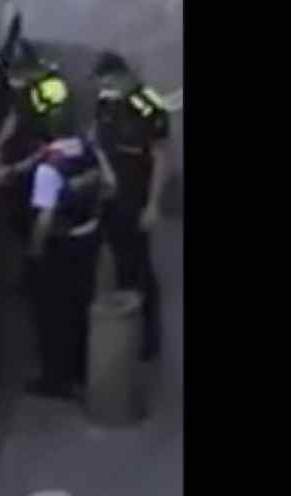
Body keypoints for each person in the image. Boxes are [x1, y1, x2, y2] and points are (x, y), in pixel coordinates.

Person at [26, 94, 114, 400]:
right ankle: (81, 366)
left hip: (61, 247)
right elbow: (108, 185)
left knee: (54, 315)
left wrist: (36, 250)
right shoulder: (89, 151)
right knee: (81, 304)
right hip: (89, 236)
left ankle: (56, 378)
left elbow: (45, 217)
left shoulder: (49, 169)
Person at [92, 50, 172, 362]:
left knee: (140, 267)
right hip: (113, 194)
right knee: (120, 262)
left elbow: (162, 157)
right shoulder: (106, 100)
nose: (104, 87)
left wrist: (153, 204)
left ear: (120, 76)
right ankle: (126, 325)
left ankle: (149, 338)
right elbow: (98, 139)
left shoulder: (148, 106)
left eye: (107, 80)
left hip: (137, 195)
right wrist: (104, 173)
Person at [0, 42, 72, 246]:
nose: (13, 80)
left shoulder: (52, 87)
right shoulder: (26, 86)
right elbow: (15, 115)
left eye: (17, 74)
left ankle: (38, 235)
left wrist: (42, 150)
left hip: (44, 142)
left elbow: (55, 120)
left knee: (39, 192)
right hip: (28, 139)